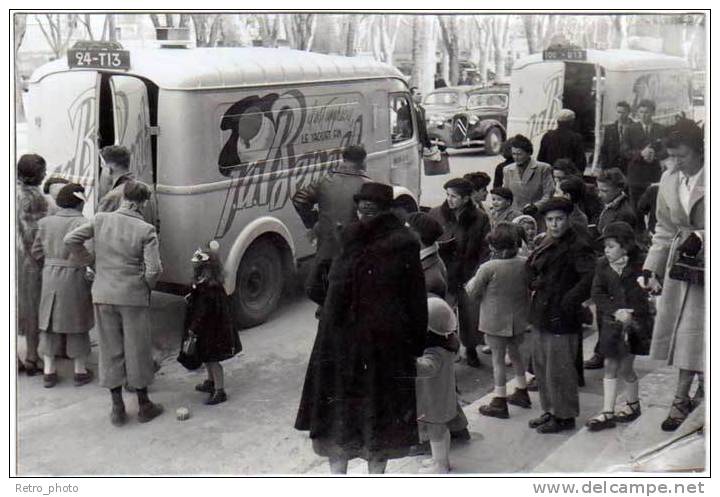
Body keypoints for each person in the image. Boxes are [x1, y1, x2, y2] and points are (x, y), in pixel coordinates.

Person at [294, 182, 428, 474]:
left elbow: (314, 285)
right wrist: (415, 344)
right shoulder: (404, 244)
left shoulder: (342, 239)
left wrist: (334, 308)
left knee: (339, 421)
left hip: (339, 345)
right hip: (384, 347)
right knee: (378, 421)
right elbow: (416, 301)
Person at [65, 181, 164, 426]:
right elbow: (154, 269)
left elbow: (70, 239)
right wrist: (145, 286)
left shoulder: (101, 220)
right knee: (137, 348)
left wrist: (91, 263)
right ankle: (143, 404)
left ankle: (117, 407)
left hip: (103, 292)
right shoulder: (146, 229)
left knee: (110, 349)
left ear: (123, 197)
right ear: (142, 202)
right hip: (132, 296)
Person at [639, 121, 704, 432]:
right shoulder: (668, 179)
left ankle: (683, 399)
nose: (675, 163)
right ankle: (693, 397)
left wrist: (704, 237)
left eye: (683, 156)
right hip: (683, 267)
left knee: (697, 333)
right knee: (687, 334)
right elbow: (663, 229)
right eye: (672, 156)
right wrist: (650, 266)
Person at [526, 197, 595, 434]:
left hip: (562, 315)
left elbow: (588, 279)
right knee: (543, 366)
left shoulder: (578, 244)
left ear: (568, 219)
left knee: (560, 369)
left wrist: (567, 302)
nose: (554, 224)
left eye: (559, 219)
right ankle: (550, 410)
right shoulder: (546, 240)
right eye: (550, 220)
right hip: (542, 311)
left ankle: (564, 416)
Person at [406, 212, 471, 442]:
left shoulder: (429, 274)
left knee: (431, 393)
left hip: (430, 335)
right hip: (437, 333)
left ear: (418, 236)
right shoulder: (430, 258)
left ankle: (432, 438)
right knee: (442, 389)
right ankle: (458, 428)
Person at [586, 222, 652, 431]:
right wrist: (616, 310)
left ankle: (633, 405)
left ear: (625, 246)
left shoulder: (641, 264)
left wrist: (632, 310)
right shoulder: (602, 265)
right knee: (611, 365)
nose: (606, 250)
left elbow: (647, 294)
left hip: (634, 324)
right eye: (605, 246)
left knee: (625, 367)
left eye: (611, 246)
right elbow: (597, 293)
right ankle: (608, 412)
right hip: (611, 323)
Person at [30, 183, 94, 388]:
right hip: (75, 276)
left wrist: (50, 264)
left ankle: (49, 371)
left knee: (48, 323)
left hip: (50, 276)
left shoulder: (44, 222)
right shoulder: (84, 222)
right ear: (79, 203)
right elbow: (89, 254)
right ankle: (80, 371)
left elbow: (36, 251)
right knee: (78, 322)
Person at [466, 223, 531, 419]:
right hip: (518, 320)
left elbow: (472, 292)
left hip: (494, 321)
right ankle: (522, 390)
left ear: (494, 247)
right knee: (516, 355)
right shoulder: (524, 262)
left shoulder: (488, 267)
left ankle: (500, 400)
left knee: (498, 361)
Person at [292, 145, 371, 307]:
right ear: (362, 162)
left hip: (326, 253)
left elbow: (299, 199)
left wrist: (315, 222)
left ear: (343, 159)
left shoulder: (325, 180)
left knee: (327, 299)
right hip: (353, 255)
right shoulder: (366, 185)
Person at [428, 178, 490, 368]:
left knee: (470, 315)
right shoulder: (436, 213)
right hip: (444, 274)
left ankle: (470, 350)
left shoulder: (480, 217)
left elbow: (485, 248)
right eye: (447, 195)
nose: (449, 200)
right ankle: (446, 351)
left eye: (454, 196)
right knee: (445, 315)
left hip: (468, 272)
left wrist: (479, 272)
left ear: (466, 198)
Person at [584, 168, 639, 371]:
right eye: (599, 190)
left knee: (607, 309)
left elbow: (620, 242)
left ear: (618, 188)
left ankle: (604, 352)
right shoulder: (610, 205)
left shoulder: (623, 212)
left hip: (613, 264)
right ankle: (604, 349)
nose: (600, 194)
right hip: (605, 259)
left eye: (604, 190)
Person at [184, 242, 242, 405]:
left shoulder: (210, 290)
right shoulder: (207, 286)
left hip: (212, 332)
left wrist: (193, 328)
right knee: (206, 357)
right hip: (207, 331)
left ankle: (219, 390)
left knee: (213, 360)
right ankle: (210, 382)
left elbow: (203, 313)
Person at [415, 297, 462, 474]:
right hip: (442, 398)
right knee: (441, 431)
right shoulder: (447, 343)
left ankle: (440, 466)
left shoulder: (434, 351)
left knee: (436, 433)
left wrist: (409, 361)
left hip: (434, 402)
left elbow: (427, 368)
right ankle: (441, 460)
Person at [17, 153, 49, 375]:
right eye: (43, 172)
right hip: (27, 259)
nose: (45, 175)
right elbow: (32, 234)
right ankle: (31, 356)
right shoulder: (34, 197)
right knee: (31, 308)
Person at [97, 145, 157, 227]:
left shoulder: (112, 197)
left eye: (102, 167)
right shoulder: (147, 190)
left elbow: (100, 230)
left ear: (109, 169)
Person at [623, 99, 667, 210]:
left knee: (655, 206)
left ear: (653, 113)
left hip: (654, 174)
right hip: (636, 175)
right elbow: (624, 150)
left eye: (647, 112)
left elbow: (666, 150)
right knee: (636, 208)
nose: (643, 115)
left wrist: (654, 155)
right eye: (641, 112)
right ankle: (638, 228)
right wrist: (640, 153)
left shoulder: (661, 129)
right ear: (637, 113)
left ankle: (652, 227)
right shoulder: (630, 129)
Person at [502, 135, 555, 213]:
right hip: (515, 215)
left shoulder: (543, 168)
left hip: (537, 214)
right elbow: (505, 195)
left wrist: (536, 206)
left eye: (519, 154)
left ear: (529, 153)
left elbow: (549, 194)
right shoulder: (507, 170)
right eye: (514, 154)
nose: (516, 157)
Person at [598, 101, 633, 172]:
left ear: (628, 113)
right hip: (612, 167)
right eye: (618, 112)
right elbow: (604, 149)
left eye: (623, 113)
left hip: (629, 167)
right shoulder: (609, 128)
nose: (620, 115)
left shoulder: (635, 128)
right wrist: (604, 168)